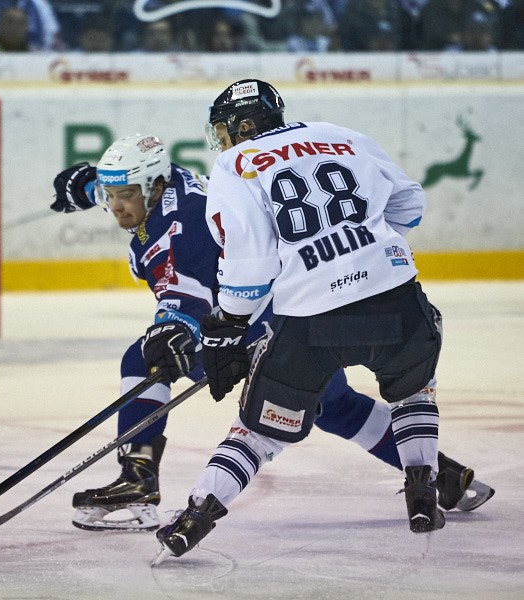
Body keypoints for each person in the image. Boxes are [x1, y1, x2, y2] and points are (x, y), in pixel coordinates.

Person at [50, 133, 493, 535]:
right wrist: (91, 186)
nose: (117, 206)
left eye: (125, 195)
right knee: (334, 405)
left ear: (152, 187)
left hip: (253, 331)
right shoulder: (174, 185)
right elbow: (141, 195)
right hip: (293, 316)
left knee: (143, 358)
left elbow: (188, 295)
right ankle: (447, 478)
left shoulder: (177, 230)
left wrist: (173, 330)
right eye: (110, 196)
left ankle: (137, 479)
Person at [151, 78, 473, 562]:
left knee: (259, 431)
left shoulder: (235, 164)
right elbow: (409, 204)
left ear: (244, 125)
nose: (221, 140)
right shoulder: (341, 135)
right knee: (413, 390)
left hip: (311, 320)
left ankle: (195, 518)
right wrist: (364, 250)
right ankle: (423, 491)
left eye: (223, 129)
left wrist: (231, 322)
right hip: (395, 298)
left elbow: (250, 261)